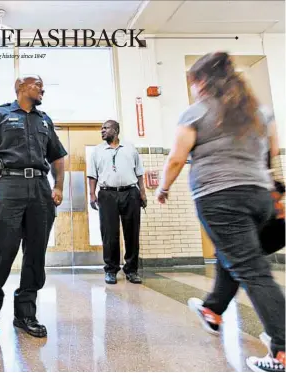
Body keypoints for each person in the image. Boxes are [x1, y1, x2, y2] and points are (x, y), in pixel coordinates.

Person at [155, 51, 284, 372]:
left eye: (193, 82)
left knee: (252, 269)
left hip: (219, 197)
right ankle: (213, 310)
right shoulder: (260, 111)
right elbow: (273, 151)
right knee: (237, 254)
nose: (193, 88)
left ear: (202, 81)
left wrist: (163, 187)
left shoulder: (196, 113)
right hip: (258, 196)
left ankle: (282, 350)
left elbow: (175, 158)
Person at [0, 74, 67, 339]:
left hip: (39, 189)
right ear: (20, 87)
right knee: (1, 252)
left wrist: (58, 186)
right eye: (37, 85)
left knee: (35, 254)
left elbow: (58, 156)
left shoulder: (44, 120)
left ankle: (26, 314)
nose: (42, 89)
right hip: (7, 187)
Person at [87, 120, 146, 285]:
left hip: (130, 193)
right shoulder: (97, 151)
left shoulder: (130, 148)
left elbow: (139, 172)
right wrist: (92, 194)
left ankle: (131, 270)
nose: (102, 131)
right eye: (101, 129)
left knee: (132, 233)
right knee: (109, 234)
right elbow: (92, 175)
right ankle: (111, 270)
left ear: (116, 130)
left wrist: (142, 193)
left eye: (105, 128)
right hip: (107, 194)